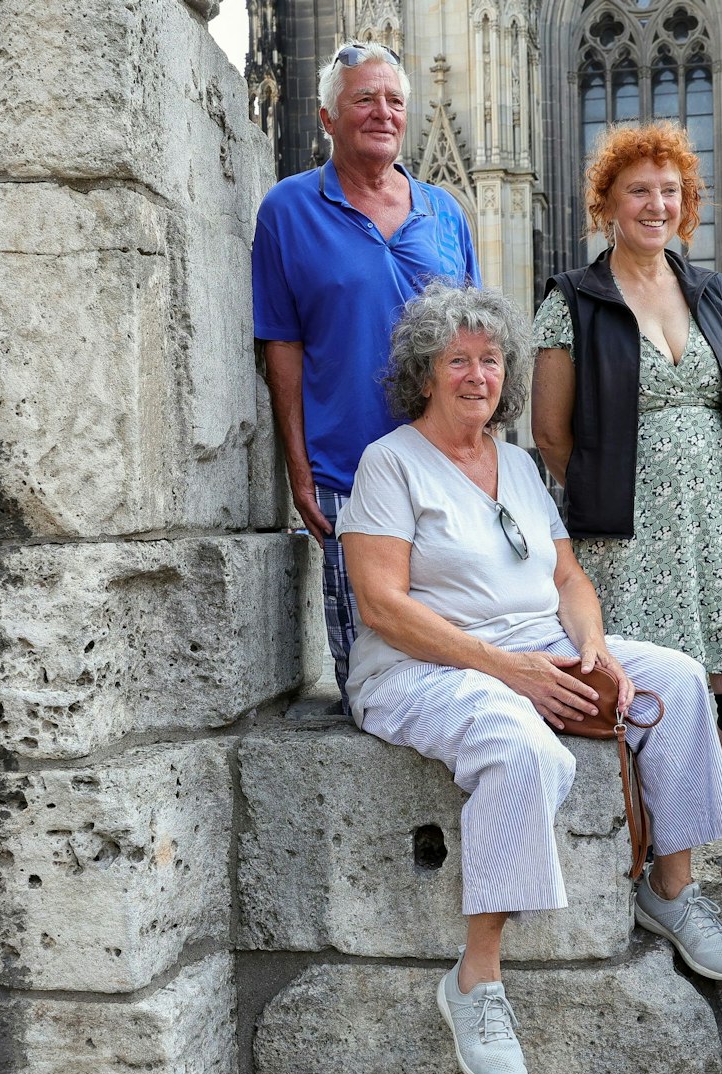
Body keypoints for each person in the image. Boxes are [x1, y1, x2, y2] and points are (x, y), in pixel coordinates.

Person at [339, 282, 722, 1074]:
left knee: (679, 678)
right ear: (425, 375)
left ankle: (670, 889)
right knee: (520, 746)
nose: (477, 375)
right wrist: (507, 670)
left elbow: (567, 576)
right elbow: (381, 605)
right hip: (424, 666)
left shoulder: (519, 465)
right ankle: (476, 980)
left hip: (539, 642)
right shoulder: (389, 464)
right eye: (457, 360)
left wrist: (592, 648)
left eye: (491, 360)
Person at [530, 122, 722, 897]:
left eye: (670, 190)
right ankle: (647, 854)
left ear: (688, 203)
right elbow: (549, 433)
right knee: (647, 690)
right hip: (627, 537)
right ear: (606, 202)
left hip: (721, 526)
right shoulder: (573, 300)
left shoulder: (710, 293)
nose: (657, 203)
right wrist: (620, 491)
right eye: (639, 189)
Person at [252, 41, 481, 709]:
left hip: (445, 473)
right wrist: (297, 469)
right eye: (363, 99)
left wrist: (485, 454)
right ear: (326, 118)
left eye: (393, 101)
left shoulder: (445, 213)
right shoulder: (287, 211)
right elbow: (282, 347)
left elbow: (476, 343)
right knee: (370, 670)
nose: (383, 112)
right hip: (345, 479)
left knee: (461, 651)